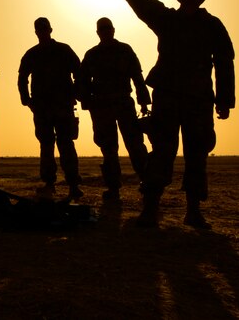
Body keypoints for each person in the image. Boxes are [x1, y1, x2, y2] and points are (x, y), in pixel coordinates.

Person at [105, 0, 235, 229]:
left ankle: (190, 211)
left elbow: (225, 61)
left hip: (195, 100)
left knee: (195, 153)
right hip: (173, 98)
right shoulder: (170, 19)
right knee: (164, 151)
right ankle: (152, 210)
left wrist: (224, 99)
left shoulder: (205, 25)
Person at [77, 17, 151, 200]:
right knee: (109, 149)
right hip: (103, 106)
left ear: (112, 30)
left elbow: (137, 77)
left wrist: (143, 102)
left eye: (106, 28)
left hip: (121, 104)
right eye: (102, 29)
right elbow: (82, 82)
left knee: (134, 145)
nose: (105, 32)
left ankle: (147, 183)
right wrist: (86, 102)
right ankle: (114, 188)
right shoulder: (93, 55)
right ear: (99, 32)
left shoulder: (123, 50)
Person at [18, 17, 83, 201]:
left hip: (62, 107)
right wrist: (27, 101)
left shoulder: (64, 50)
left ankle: (72, 184)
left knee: (66, 144)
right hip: (42, 108)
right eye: (39, 29)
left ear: (50, 30)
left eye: (44, 29)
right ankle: (50, 183)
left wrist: (76, 94)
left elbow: (79, 72)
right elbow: (22, 78)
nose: (42, 32)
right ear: (36, 32)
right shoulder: (32, 54)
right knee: (47, 145)